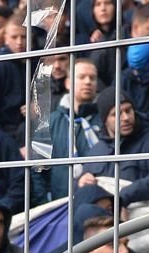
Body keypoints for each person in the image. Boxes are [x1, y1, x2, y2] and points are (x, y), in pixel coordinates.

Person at [42, 58, 107, 201]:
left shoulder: (107, 117)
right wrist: (43, 203)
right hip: (61, 203)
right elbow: (38, 168)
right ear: (67, 83)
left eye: (92, 78)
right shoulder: (52, 121)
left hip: (101, 200)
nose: (88, 82)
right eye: (81, 77)